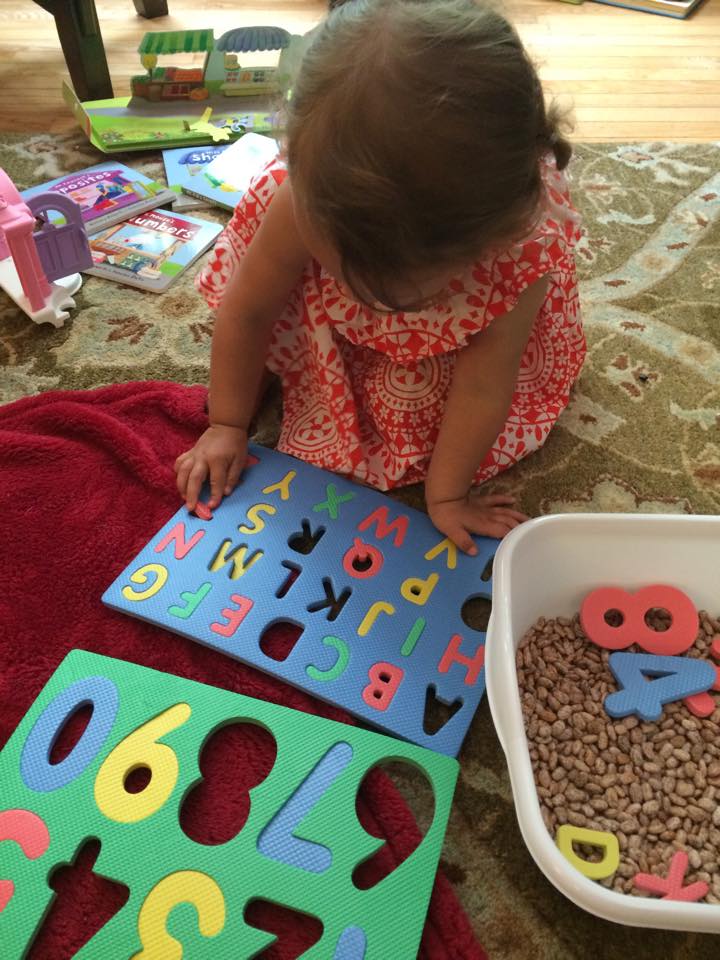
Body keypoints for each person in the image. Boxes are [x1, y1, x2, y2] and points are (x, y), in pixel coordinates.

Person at [176, 0, 585, 554]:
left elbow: (487, 381)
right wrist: (227, 421)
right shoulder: (297, 198)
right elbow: (248, 312)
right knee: (258, 332)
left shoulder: (520, 245)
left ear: (491, 238)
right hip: (322, 325)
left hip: (463, 348)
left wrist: (446, 496)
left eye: (406, 283)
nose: (386, 301)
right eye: (357, 270)